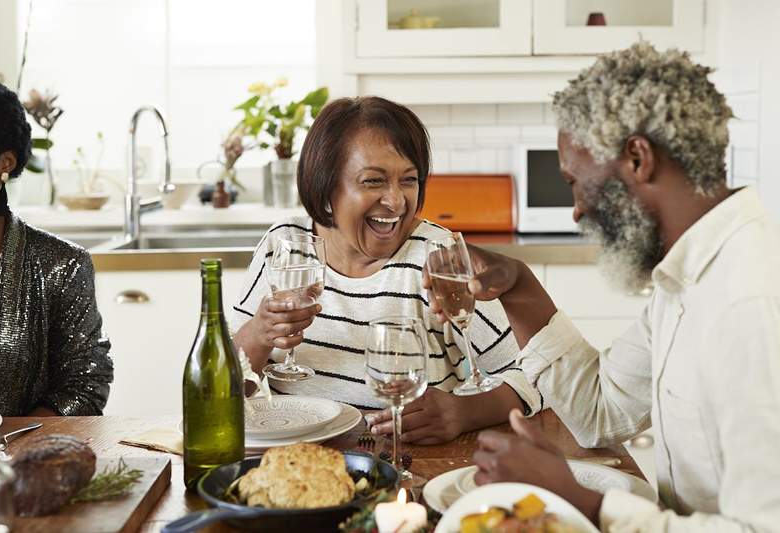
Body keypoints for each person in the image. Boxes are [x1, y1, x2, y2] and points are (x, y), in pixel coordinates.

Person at [425, 42, 780, 530]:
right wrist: (518, 286)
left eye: (575, 180)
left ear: (637, 157)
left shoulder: (752, 300)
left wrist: (585, 502)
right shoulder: (690, 278)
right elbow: (601, 411)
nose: (576, 210)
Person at [231, 96, 541, 444]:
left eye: (408, 180)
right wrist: (258, 333)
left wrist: (464, 412)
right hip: (290, 462)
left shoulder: (438, 259)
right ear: (326, 186)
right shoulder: (285, 245)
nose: (396, 202)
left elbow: (536, 372)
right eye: (374, 182)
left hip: (406, 465)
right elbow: (221, 385)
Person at [0, 76, 113, 416]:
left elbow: (84, 383)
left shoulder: (62, 266)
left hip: (15, 463)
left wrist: (17, 447)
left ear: (5, 162)